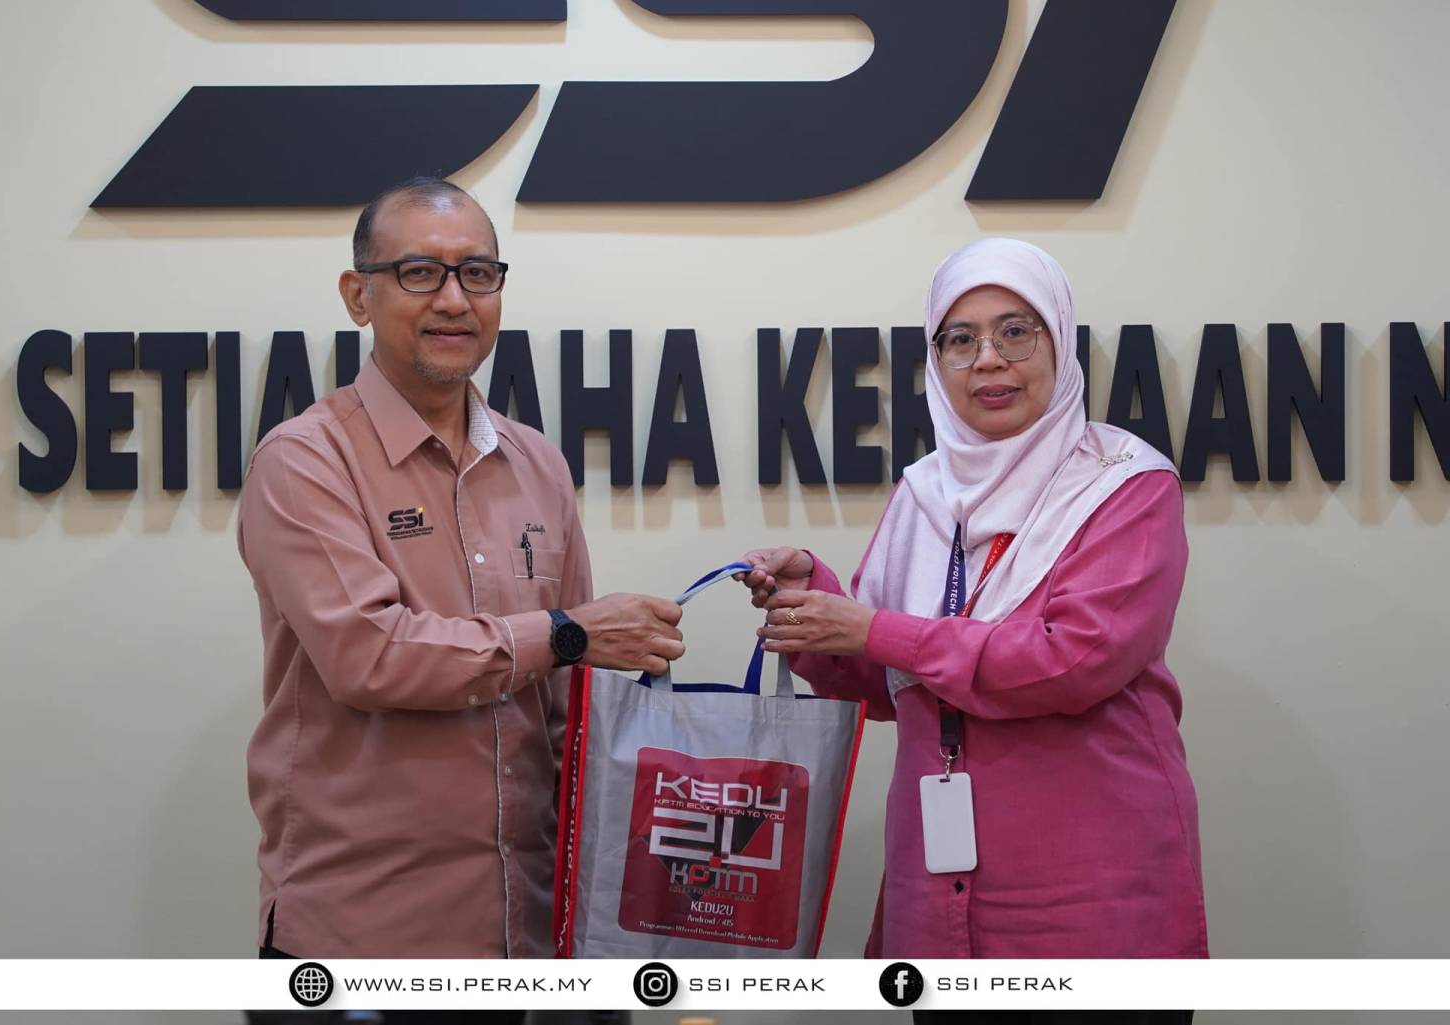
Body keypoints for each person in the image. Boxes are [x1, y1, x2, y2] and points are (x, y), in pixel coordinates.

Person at [740, 239, 1205, 1025]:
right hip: (941, 901)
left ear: (1059, 339)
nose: (988, 359)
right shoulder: (926, 495)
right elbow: (887, 683)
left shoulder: (1125, 486)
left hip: (1091, 903)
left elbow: (1073, 659)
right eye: (960, 339)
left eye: (1015, 331)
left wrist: (873, 628)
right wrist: (812, 604)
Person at [237, 176, 685, 992]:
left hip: (534, 937)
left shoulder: (537, 462)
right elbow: (371, 656)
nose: (454, 300)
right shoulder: (304, 460)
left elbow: (565, 707)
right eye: (420, 272)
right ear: (358, 296)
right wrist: (569, 632)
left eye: (477, 273)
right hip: (360, 943)